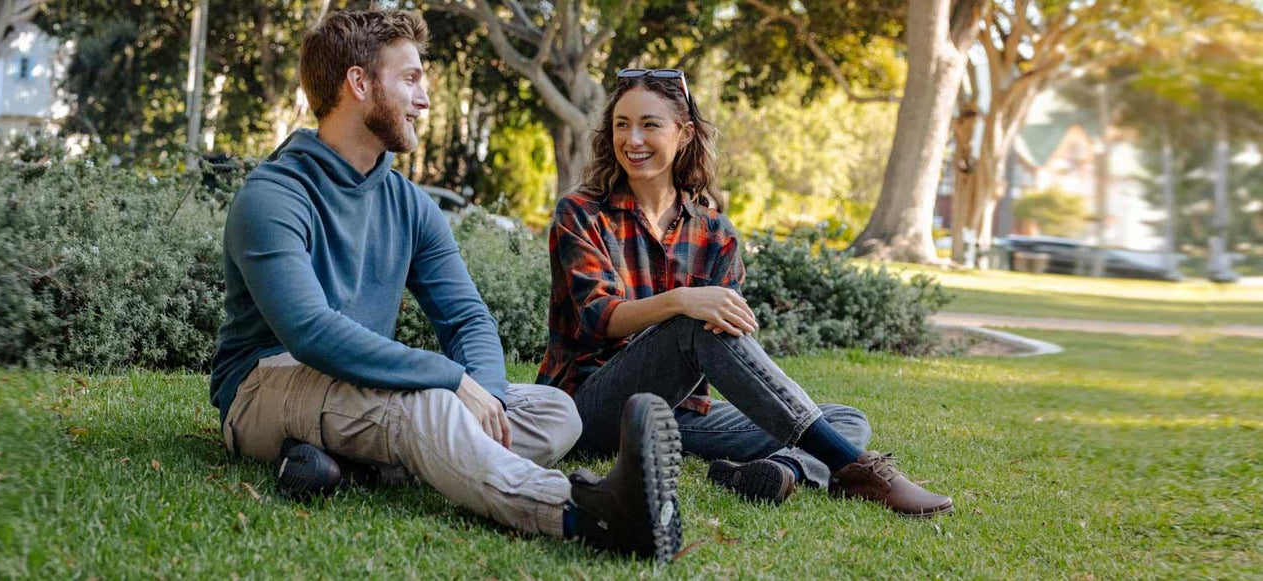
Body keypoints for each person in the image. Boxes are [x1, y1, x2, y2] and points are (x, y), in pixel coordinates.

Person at [209, 10, 686, 560]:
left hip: (364, 386)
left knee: (557, 411)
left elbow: (467, 318)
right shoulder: (273, 196)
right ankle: (588, 513)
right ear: (359, 84)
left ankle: (359, 467)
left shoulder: (408, 204)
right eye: (409, 79)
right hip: (263, 386)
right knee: (431, 406)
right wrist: (451, 381)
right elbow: (310, 332)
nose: (424, 98)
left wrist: (489, 396)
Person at [537, 68, 954, 516]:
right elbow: (599, 317)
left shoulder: (716, 232)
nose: (633, 139)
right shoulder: (580, 212)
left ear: (684, 133)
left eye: (649, 124)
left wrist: (702, 317)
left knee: (844, 418)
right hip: (591, 407)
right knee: (693, 324)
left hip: (682, 417)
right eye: (622, 124)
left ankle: (783, 471)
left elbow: (724, 335)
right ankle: (858, 471)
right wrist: (682, 302)